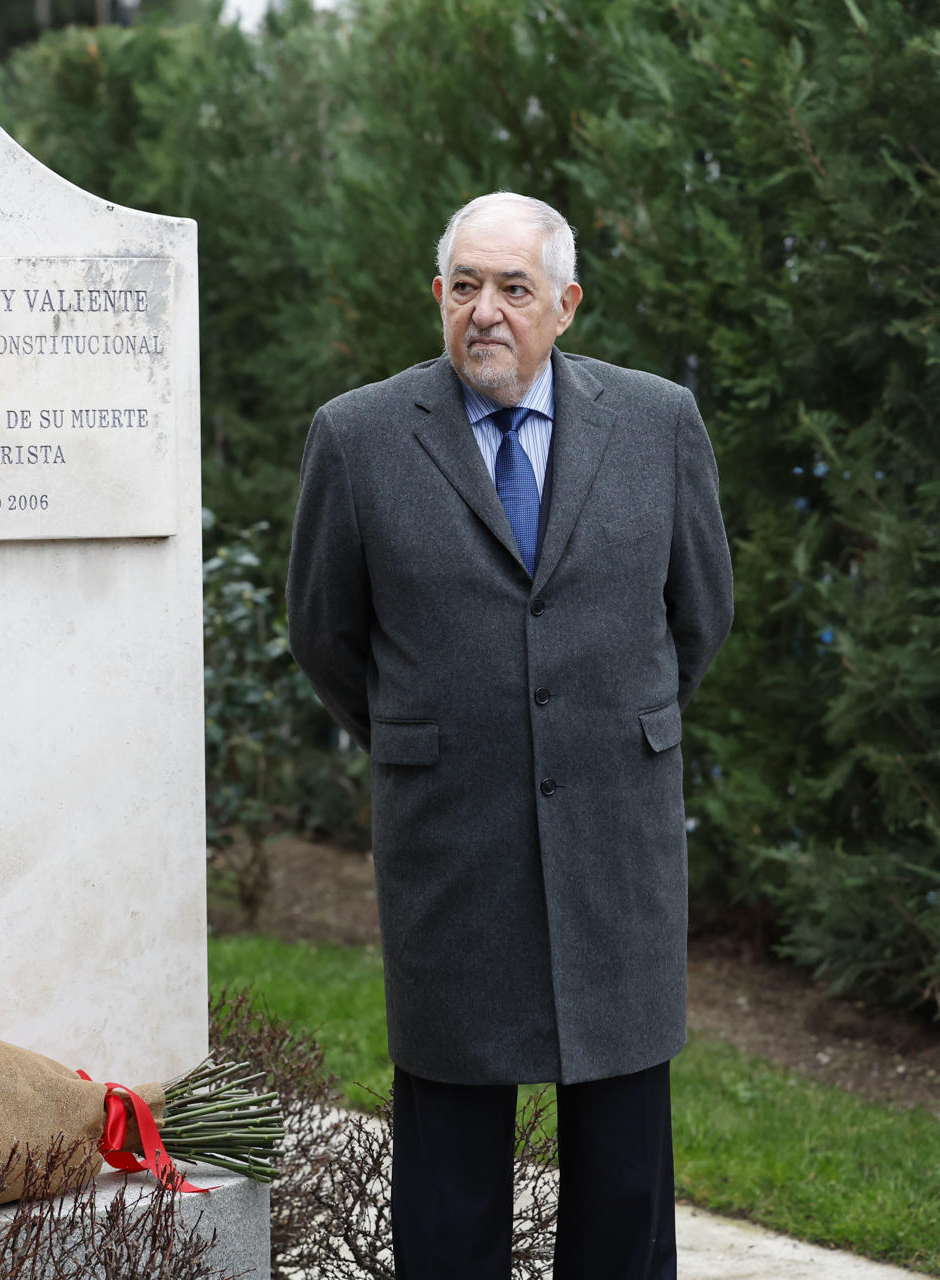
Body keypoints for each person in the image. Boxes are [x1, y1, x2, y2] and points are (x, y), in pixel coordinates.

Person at [286, 191, 734, 1279]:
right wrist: (432, 732)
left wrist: (603, 725)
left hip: (615, 839)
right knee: (450, 1172)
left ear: (566, 304)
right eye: (465, 286)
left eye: (514, 288)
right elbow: (327, 634)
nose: (487, 311)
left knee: (626, 1171)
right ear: (439, 296)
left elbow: (700, 614)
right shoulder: (359, 436)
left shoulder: (658, 421)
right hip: (452, 841)